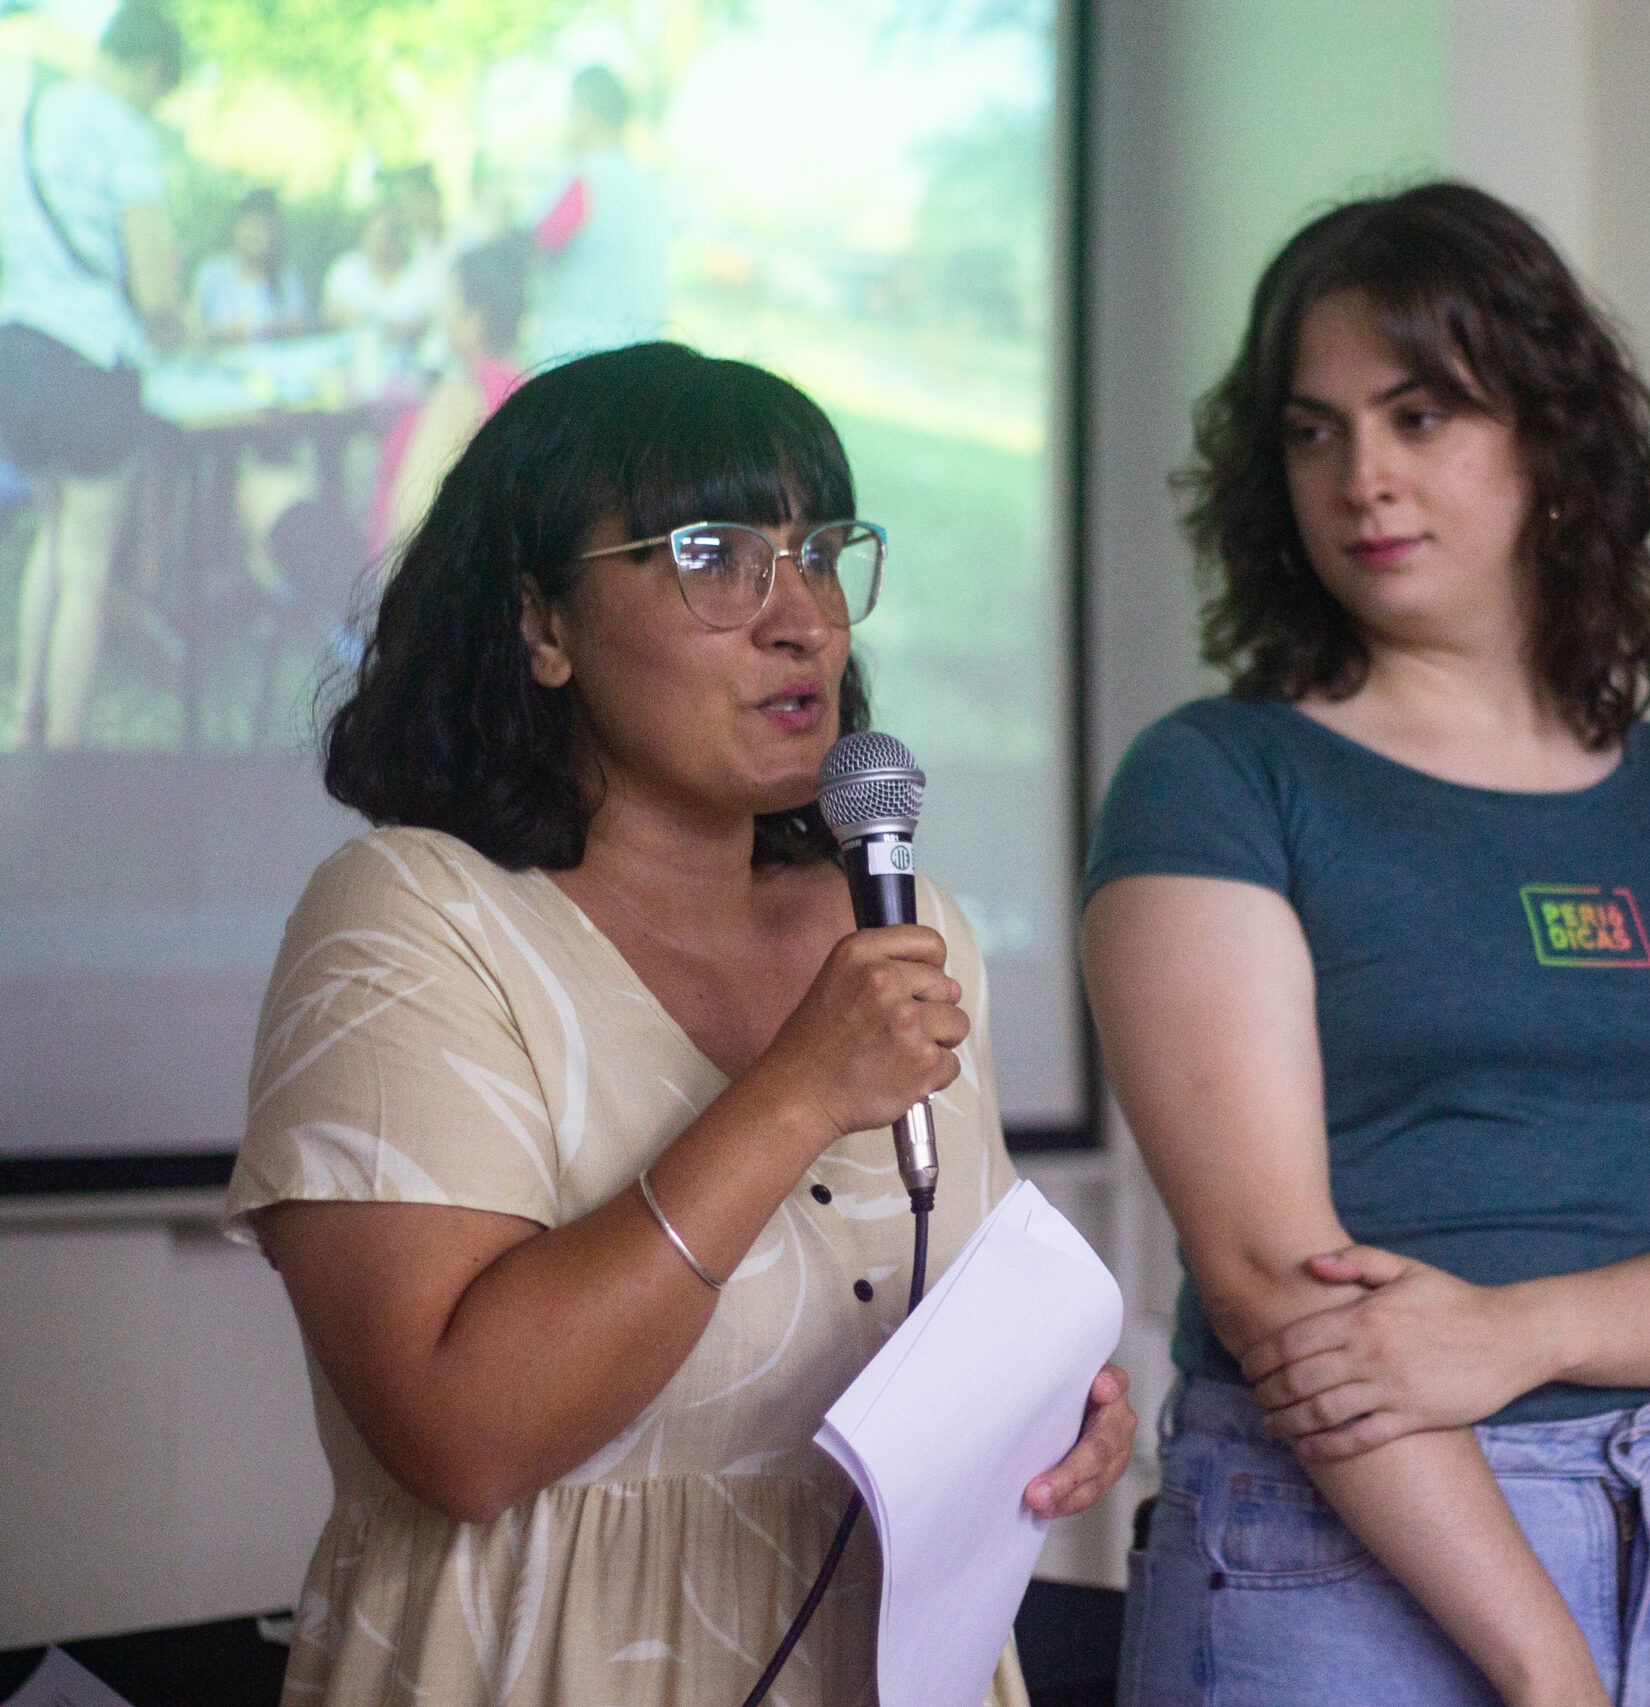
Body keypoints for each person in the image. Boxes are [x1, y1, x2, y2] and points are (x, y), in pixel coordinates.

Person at [223, 343, 1137, 1706]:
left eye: (821, 552)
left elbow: (912, 1314)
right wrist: (790, 1095)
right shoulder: (411, 917)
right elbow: (461, 1433)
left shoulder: (900, 916)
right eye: (713, 553)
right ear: (541, 622)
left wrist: (1044, 1397)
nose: (804, 618)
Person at [1083, 182, 1650, 1707]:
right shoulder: (1217, 778)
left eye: (1420, 415)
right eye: (1314, 430)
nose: (1361, 475)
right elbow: (1272, 1284)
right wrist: (1549, 1665)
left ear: (1553, 441)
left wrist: (1516, 1332)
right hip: (1339, 1529)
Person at [0, 3, 181, 747]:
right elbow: (156, 290)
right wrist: (178, 328)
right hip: (88, 365)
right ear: (150, 69)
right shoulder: (125, 133)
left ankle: (19, 721)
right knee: (87, 571)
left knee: (52, 535)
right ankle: (66, 757)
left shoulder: (29, 114)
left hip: (18, 353)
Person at [370, 234, 529, 555]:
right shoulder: (528, 387)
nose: (441, 312)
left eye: (450, 299)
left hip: (407, 589)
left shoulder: (462, 397)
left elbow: (408, 528)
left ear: (475, 320)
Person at [525, 64, 669, 366]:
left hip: (578, 359)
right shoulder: (648, 188)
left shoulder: (585, 181)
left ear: (585, 112)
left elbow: (532, 249)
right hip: (643, 360)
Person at [190, 185, 306, 343]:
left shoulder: (285, 277)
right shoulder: (212, 273)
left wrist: (275, 329)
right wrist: (222, 334)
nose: (253, 234)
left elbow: (299, 330)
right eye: (248, 225)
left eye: (261, 227)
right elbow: (192, 330)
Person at [319, 202, 437, 350]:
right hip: (348, 360)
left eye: (389, 235)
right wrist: (361, 320)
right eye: (376, 234)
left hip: (404, 361)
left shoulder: (419, 276)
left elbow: (429, 321)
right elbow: (328, 313)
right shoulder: (345, 269)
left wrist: (397, 329)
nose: (381, 243)